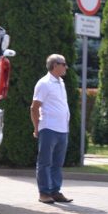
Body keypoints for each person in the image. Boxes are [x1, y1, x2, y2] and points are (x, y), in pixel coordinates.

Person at [31, 54, 73, 204]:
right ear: (55, 65)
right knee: (45, 162)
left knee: (57, 163)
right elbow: (34, 108)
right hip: (48, 128)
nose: (66, 67)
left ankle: (55, 191)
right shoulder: (44, 83)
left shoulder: (61, 82)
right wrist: (37, 128)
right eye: (64, 64)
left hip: (62, 129)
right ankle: (44, 193)